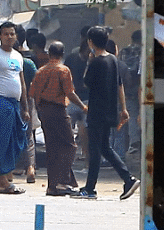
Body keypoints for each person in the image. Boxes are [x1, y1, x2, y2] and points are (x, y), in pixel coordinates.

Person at [74, 27, 139, 200]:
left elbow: (87, 82)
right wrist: (123, 109)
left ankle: (90, 188)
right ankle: (128, 179)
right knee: (104, 147)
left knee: (95, 150)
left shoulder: (96, 61)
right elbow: (120, 85)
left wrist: (89, 62)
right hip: (110, 110)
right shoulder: (113, 60)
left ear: (90, 42)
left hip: (97, 111)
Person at [29, 42, 86, 196]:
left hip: (44, 111)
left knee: (52, 147)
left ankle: (53, 185)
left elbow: (32, 92)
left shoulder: (40, 71)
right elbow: (70, 92)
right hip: (58, 110)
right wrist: (82, 106)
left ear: (49, 54)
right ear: (62, 54)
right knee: (69, 146)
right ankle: (62, 182)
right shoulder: (63, 70)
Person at [0, 21, 31, 194]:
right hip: (0, 102)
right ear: (0, 36)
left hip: (15, 104)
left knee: (16, 141)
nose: (9, 37)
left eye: (12, 34)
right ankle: (1, 180)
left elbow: (22, 83)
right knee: (2, 140)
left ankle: (4, 179)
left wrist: (25, 108)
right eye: (6, 34)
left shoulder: (18, 57)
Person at [14, 34, 40, 183]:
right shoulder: (29, 63)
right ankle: (30, 167)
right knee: (29, 134)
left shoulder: (9, 62)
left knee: (14, 133)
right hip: (27, 101)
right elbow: (36, 82)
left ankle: (16, 166)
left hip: (11, 99)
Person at [64, 26, 91, 162]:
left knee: (68, 131)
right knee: (84, 129)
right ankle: (85, 159)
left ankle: (67, 160)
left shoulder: (71, 57)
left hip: (72, 98)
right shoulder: (92, 61)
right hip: (85, 100)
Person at [117, 30, 142, 155]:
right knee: (140, 114)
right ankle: (137, 141)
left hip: (125, 87)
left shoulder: (123, 51)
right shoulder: (144, 50)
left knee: (129, 114)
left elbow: (120, 67)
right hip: (140, 86)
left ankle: (131, 143)